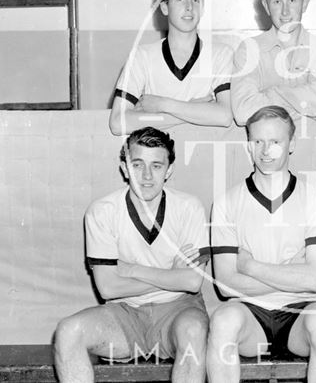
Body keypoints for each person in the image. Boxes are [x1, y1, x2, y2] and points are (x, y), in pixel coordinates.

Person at [54, 127, 210, 383]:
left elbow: (192, 283)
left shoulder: (189, 207)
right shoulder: (102, 212)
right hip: (125, 313)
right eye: (137, 165)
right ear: (125, 168)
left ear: (169, 170)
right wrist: (172, 275)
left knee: (193, 330)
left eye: (157, 166)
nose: (146, 176)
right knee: (68, 331)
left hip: (178, 310)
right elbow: (108, 288)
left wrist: (133, 269)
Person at [207, 105, 316, 382]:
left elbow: (314, 279)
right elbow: (226, 283)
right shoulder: (226, 203)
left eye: (275, 142)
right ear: (248, 145)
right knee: (223, 321)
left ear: (292, 145)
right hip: (250, 313)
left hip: (301, 312)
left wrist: (250, 266)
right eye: (258, 141)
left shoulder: (315, 199)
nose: (266, 151)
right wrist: (289, 274)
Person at [109, 0, 233, 135]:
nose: (189, 7)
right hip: (157, 159)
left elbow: (224, 116)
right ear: (165, 7)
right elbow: (118, 123)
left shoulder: (221, 54)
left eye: (196, 0)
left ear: (203, 6)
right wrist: (192, 111)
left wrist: (162, 105)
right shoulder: (142, 56)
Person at [230, 0, 316, 126]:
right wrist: (304, 101)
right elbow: (243, 112)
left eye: (292, 0)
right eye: (277, 2)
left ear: (304, 4)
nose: (285, 11)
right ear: (266, 6)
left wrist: (272, 93)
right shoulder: (249, 50)